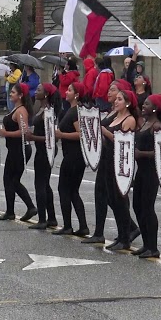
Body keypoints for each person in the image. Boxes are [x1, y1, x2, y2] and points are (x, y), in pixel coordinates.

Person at [101, 84, 139, 252]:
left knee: (120, 199)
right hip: (108, 159)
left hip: (121, 162)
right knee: (111, 198)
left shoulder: (129, 119)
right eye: (116, 99)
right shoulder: (115, 116)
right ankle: (121, 233)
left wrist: (105, 132)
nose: (116, 101)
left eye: (120, 99)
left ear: (128, 103)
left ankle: (125, 236)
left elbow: (123, 142)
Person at [132, 94, 161, 259]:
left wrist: (142, 153)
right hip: (140, 171)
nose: (143, 106)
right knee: (137, 206)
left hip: (150, 172)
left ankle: (153, 247)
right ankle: (146, 244)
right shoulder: (145, 123)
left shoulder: (157, 126)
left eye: (147, 104)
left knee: (147, 208)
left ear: (155, 108)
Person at [52, 82, 90, 237]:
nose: (66, 92)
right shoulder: (70, 110)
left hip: (74, 156)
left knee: (65, 189)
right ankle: (82, 226)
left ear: (77, 94)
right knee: (73, 191)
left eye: (69, 90)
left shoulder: (76, 112)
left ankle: (68, 225)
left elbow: (81, 134)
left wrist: (61, 135)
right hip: (70, 154)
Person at [0, 83, 37, 222]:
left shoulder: (21, 111)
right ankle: (11, 211)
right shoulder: (16, 109)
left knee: (12, 180)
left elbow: (24, 132)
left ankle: (28, 207)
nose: (11, 94)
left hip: (20, 149)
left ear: (20, 95)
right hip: (13, 149)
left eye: (13, 92)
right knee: (9, 180)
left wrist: (5, 133)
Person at [26, 82, 58, 231]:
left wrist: (32, 138)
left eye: (39, 90)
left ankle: (42, 219)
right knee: (44, 184)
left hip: (46, 150)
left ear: (46, 94)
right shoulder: (40, 108)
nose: (35, 92)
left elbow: (51, 137)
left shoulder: (48, 112)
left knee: (40, 184)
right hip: (40, 149)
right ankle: (51, 218)